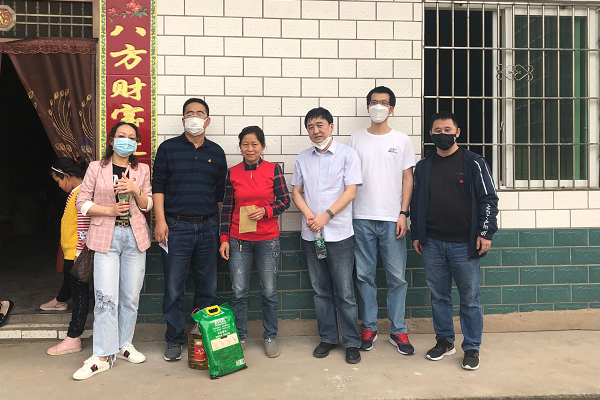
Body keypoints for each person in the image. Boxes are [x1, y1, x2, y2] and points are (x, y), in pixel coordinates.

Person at [410, 111, 498, 371]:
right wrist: (417, 234)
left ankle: (471, 347)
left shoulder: (474, 162)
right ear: (430, 134)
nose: (442, 135)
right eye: (437, 131)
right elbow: (417, 203)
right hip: (432, 244)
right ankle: (445, 340)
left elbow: (488, 199)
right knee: (439, 297)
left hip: (464, 245)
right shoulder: (423, 166)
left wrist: (485, 233)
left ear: (457, 132)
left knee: (469, 299)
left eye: (447, 130)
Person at [73, 121, 153, 380]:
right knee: (106, 298)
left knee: (130, 296)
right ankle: (101, 356)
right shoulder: (96, 167)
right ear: (111, 140)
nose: (126, 140)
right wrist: (110, 210)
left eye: (131, 137)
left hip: (135, 238)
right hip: (105, 237)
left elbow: (148, 205)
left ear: (136, 143)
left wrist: (136, 190)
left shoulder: (141, 169)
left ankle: (123, 344)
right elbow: (81, 202)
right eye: (121, 136)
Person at [153, 98, 227, 362]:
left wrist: (222, 230)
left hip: (208, 227)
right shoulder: (168, 149)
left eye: (200, 113)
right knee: (174, 287)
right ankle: (174, 339)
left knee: (207, 287)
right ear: (183, 119)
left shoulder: (217, 152)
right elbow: (158, 186)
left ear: (208, 120)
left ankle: (202, 337)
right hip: (175, 226)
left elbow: (220, 194)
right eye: (189, 113)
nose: (195, 117)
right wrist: (160, 220)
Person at [291, 107, 363, 364]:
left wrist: (326, 216)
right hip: (312, 234)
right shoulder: (303, 157)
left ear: (331, 127)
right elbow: (296, 191)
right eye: (310, 127)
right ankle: (329, 338)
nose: (315, 131)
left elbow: (350, 191)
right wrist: (311, 216)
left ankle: (352, 342)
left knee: (345, 292)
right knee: (321, 290)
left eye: (320, 125)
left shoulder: (347, 154)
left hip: (340, 234)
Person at [348, 86, 416, 355]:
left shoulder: (402, 140)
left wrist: (403, 213)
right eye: (374, 102)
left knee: (397, 277)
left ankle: (398, 330)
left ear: (392, 109)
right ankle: (369, 327)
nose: (378, 107)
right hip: (361, 217)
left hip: (392, 219)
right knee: (364, 276)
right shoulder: (355, 139)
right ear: (367, 107)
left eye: (384, 103)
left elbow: (408, 178)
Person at [219, 126, 290, 358]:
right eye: (245, 144)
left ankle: (270, 336)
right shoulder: (232, 173)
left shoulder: (273, 169)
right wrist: (224, 239)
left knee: (268, 291)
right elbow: (227, 208)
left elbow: (285, 201)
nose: (250, 149)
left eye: (255, 144)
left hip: (267, 240)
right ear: (240, 147)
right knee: (238, 291)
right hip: (239, 240)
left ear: (263, 146)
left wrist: (266, 211)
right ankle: (240, 336)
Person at [41, 157, 91, 356]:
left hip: (77, 252)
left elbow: (84, 226)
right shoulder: (76, 192)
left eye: (58, 181)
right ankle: (61, 299)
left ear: (67, 176)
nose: (59, 185)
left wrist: (79, 252)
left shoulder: (82, 194)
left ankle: (74, 337)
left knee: (80, 295)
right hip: (71, 250)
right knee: (69, 279)